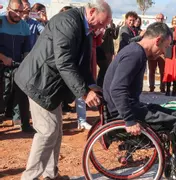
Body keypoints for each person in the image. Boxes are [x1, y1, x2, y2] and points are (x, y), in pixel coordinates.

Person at [103, 21, 176, 180]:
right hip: (124, 111)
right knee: (175, 122)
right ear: (157, 40)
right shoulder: (135, 54)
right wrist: (129, 120)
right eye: (165, 47)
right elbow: (116, 89)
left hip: (131, 106)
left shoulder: (135, 50)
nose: (164, 53)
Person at [15, 1, 112, 179]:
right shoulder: (67, 22)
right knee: (47, 131)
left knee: (56, 130)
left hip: (51, 85)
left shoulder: (85, 28)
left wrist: (91, 84)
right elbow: (64, 62)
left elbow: (82, 64)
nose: (102, 28)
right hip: (39, 82)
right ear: (91, 12)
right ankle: (31, 177)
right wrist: (84, 92)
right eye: (101, 23)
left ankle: (50, 174)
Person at [0, 0, 32, 131]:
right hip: (2, 65)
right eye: (15, 11)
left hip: (17, 65)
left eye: (21, 11)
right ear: (8, 9)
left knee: (22, 94)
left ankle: (25, 124)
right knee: (2, 94)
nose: (18, 14)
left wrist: (26, 62)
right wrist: (3, 57)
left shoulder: (24, 26)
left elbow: (27, 49)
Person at [148, 13, 166, 93]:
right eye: (158, 18)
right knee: (152, 70)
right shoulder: (151, 28)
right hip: (152, 52)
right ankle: (151, 87)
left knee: (163, 71)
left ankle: (162, 87)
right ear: (155, 19)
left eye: (161, 18)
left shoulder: (165, 29)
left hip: (162, 53)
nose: (160, 20)